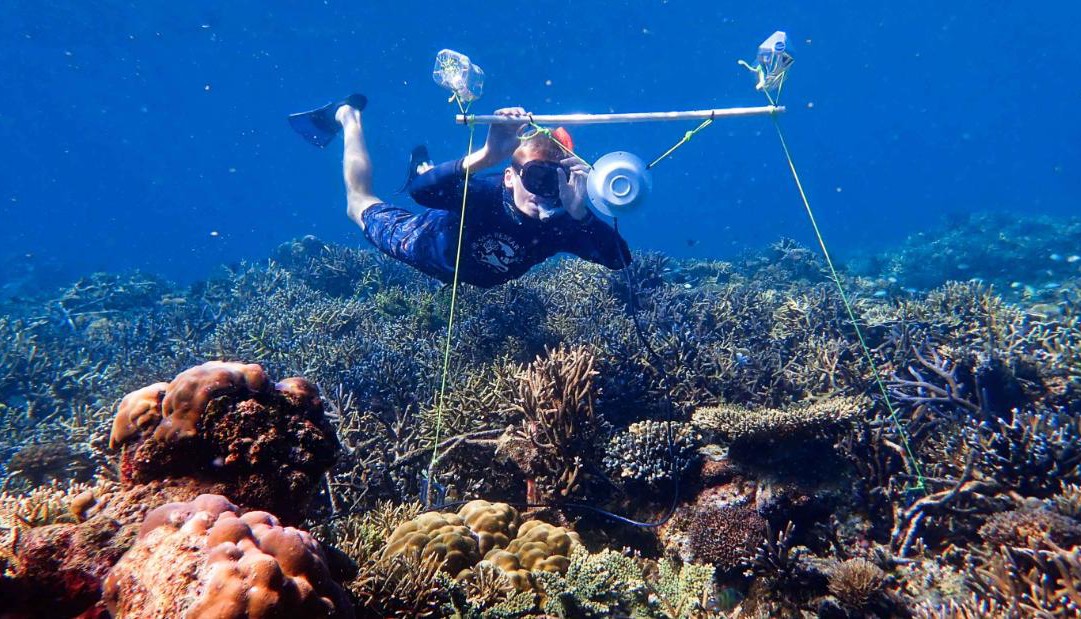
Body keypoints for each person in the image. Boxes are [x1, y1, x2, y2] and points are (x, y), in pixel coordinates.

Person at [295, 95, 632, 288]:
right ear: (509, 177)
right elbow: (420, 194)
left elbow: (619, 259)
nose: (544, 193)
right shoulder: (485, 195)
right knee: (357, 204)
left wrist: (581, 214)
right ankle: (348, 116)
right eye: (536, 178)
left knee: (436, 184)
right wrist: (486, 157)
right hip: (422, 244)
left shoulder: (564, 225)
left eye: (556, 182)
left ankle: (425, 165)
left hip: (468, 263)